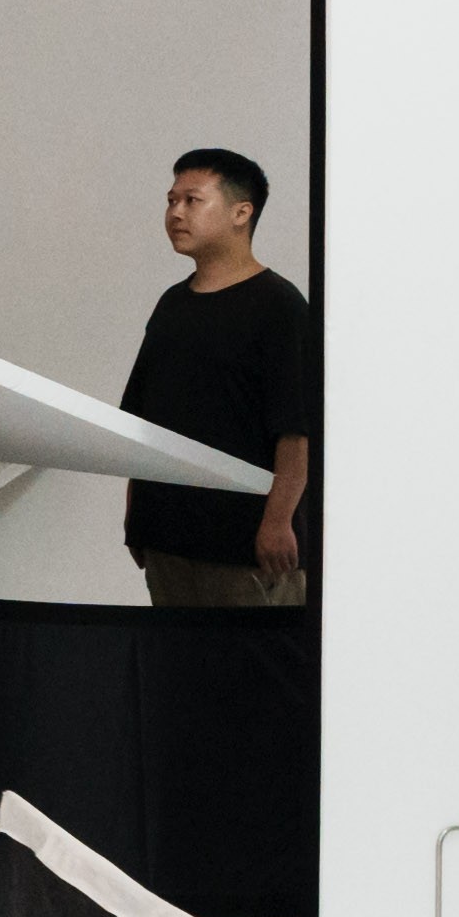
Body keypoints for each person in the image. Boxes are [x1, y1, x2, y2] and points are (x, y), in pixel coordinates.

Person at [121, 148, 319, 609]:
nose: (175, 213)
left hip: (246, 546)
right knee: (176, 655)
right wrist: (136, 515)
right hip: (168, 538)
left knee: (252, 655)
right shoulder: (172, 304)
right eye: (171, 201)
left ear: (241, 212)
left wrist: (278, 521)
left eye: (192, 200)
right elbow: (142, 419)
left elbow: (297, 430)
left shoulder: (280, 307)